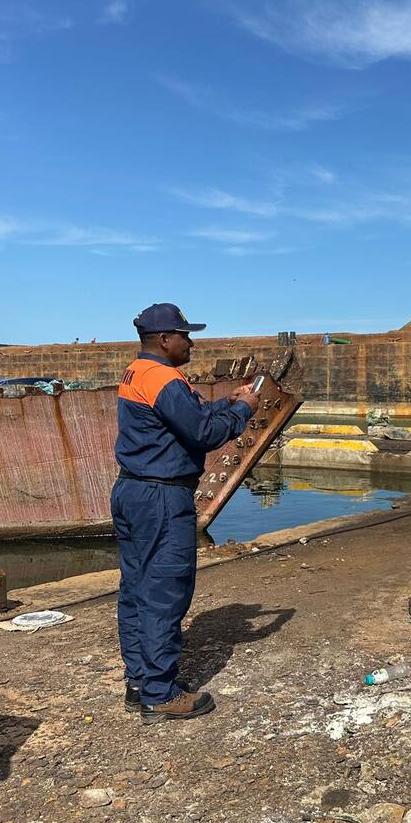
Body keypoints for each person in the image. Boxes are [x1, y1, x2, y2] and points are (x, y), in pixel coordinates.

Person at [112, 303, 259, 723]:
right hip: (162, 497)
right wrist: (244, 409)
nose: (190, 342)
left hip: (132, 490)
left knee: (136, 588)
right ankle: (160, 694)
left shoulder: (139, 372)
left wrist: (225, 401)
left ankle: (139, 682)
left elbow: (184, 417)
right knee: (164, 590)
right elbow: (203, 433)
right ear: (164, 339)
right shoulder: (164, 379)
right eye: (185, 335)